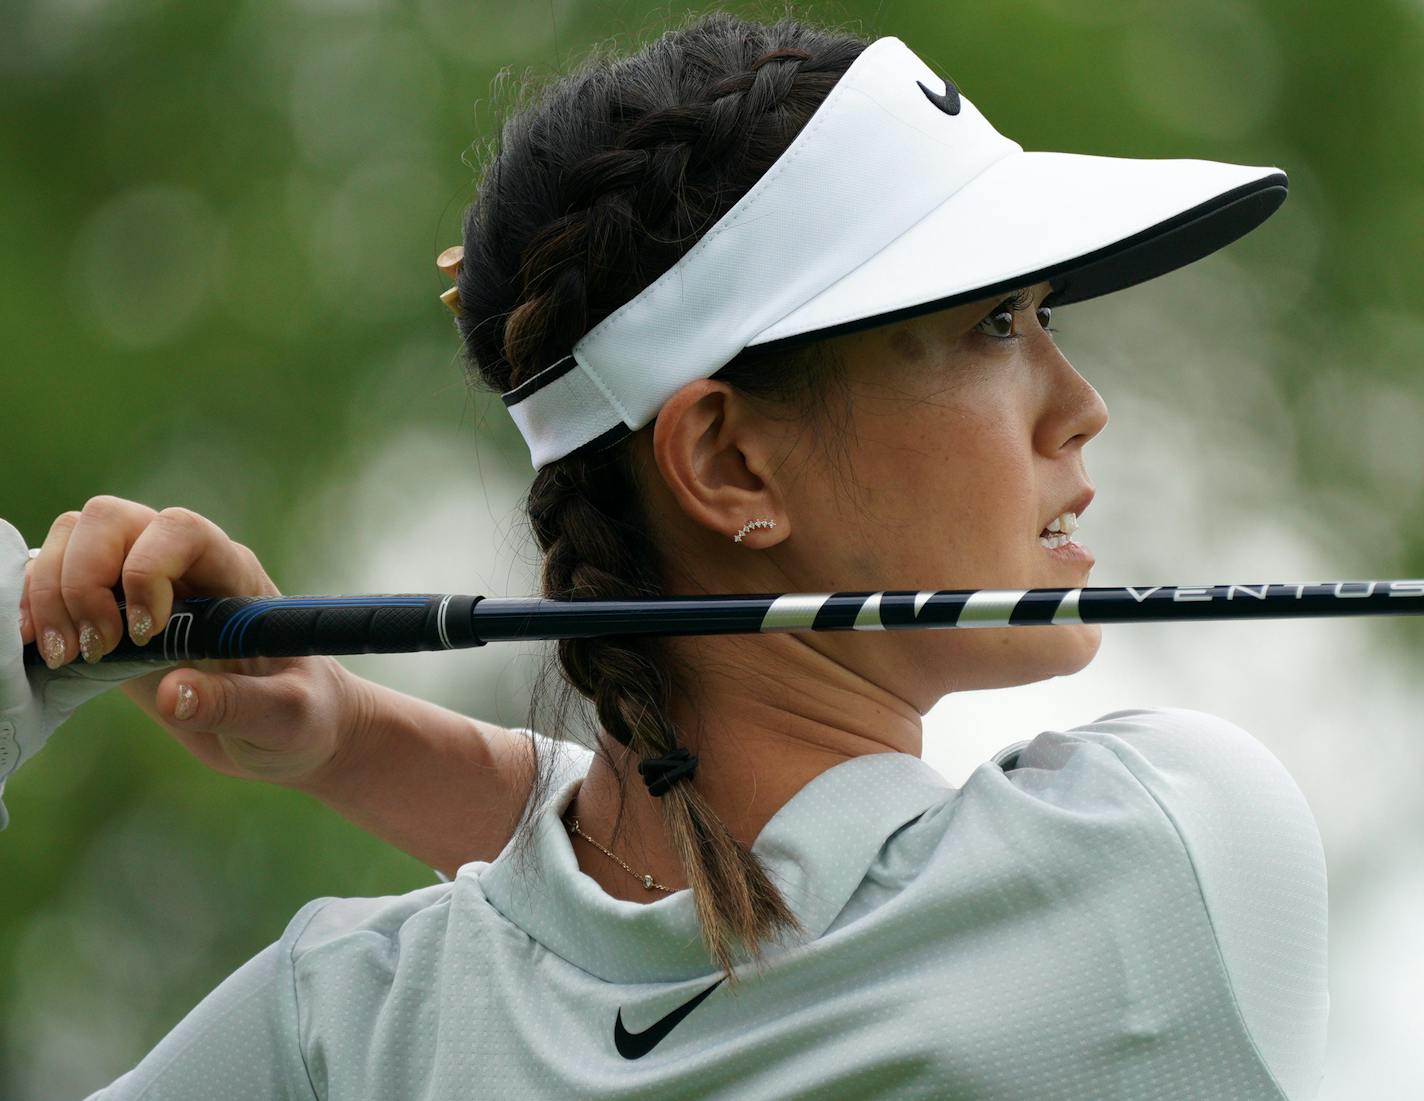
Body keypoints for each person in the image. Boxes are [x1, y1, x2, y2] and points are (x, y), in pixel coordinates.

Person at [2, 11, 1329, 1099]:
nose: (1078, 401)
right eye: (995, 324)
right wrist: (361, 742)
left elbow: (654, 916)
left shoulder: (336, 1034)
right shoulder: (1169, 862)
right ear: (730, 464)